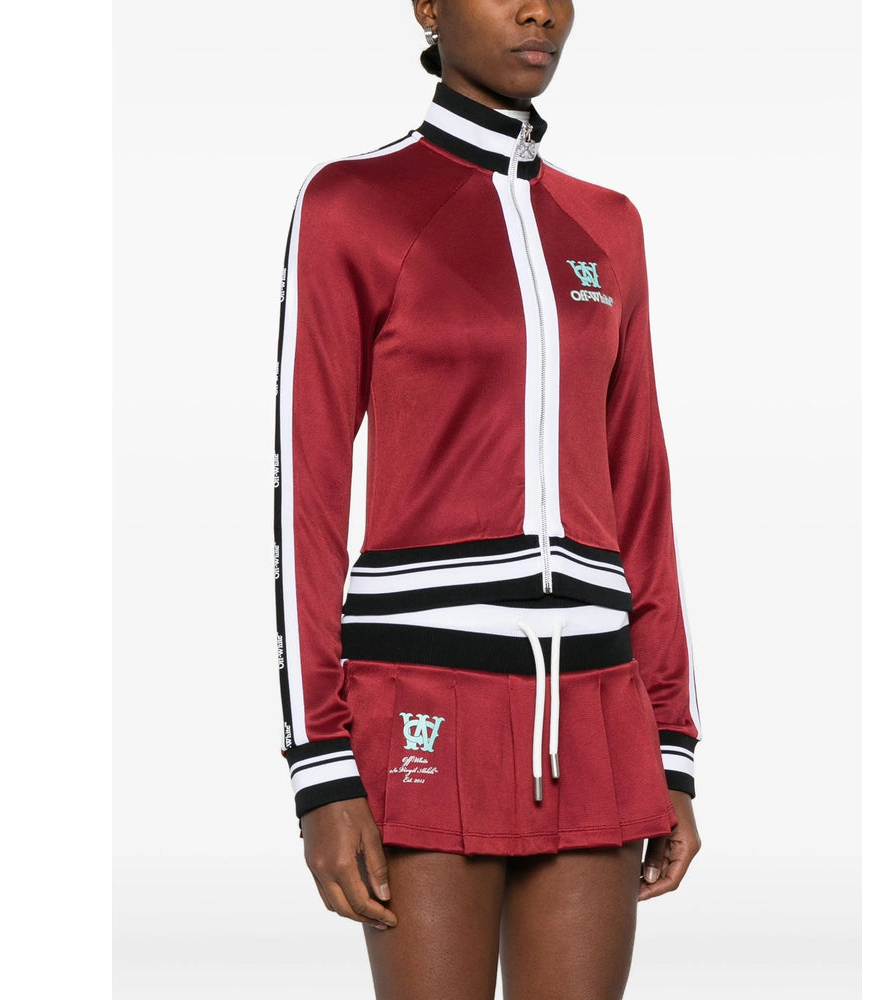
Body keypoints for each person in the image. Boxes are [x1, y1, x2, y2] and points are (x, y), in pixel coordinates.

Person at [272, 2, 703, 997]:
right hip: (422, 699)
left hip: (596, 709)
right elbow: (308, 493)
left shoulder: (608, 224)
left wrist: (670, 742)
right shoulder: (355, 203)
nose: (538, 9)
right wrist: (320, 764)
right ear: (428, 5)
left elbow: (641, 493)